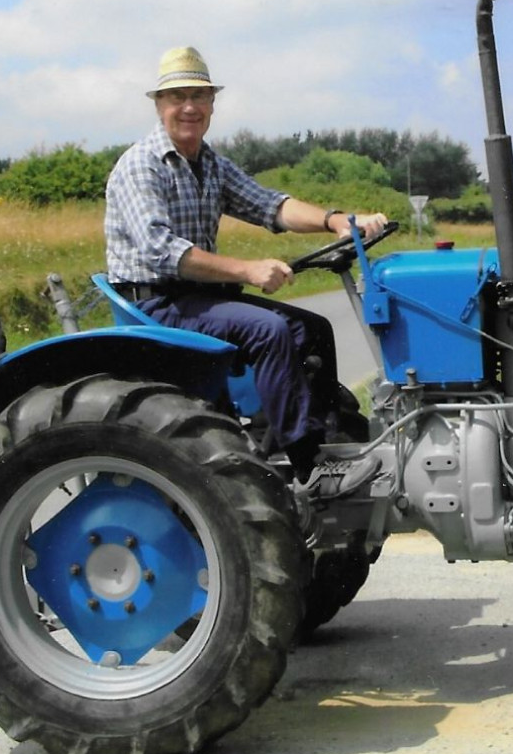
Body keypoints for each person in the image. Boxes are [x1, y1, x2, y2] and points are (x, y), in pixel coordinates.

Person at [104, 46, 389, 486]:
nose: (189, 107)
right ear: (159, 105)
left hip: (199, 298)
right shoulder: (142, 166)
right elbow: (161, 250)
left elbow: (270, 206)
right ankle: (309, 464)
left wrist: (337, 222)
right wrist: (247, 270)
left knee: (311, 330)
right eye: (177, 97)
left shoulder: (209, 163)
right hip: (157, 303)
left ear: (212, 104)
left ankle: (326, 444)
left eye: (199, 97)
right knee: (267, 330)